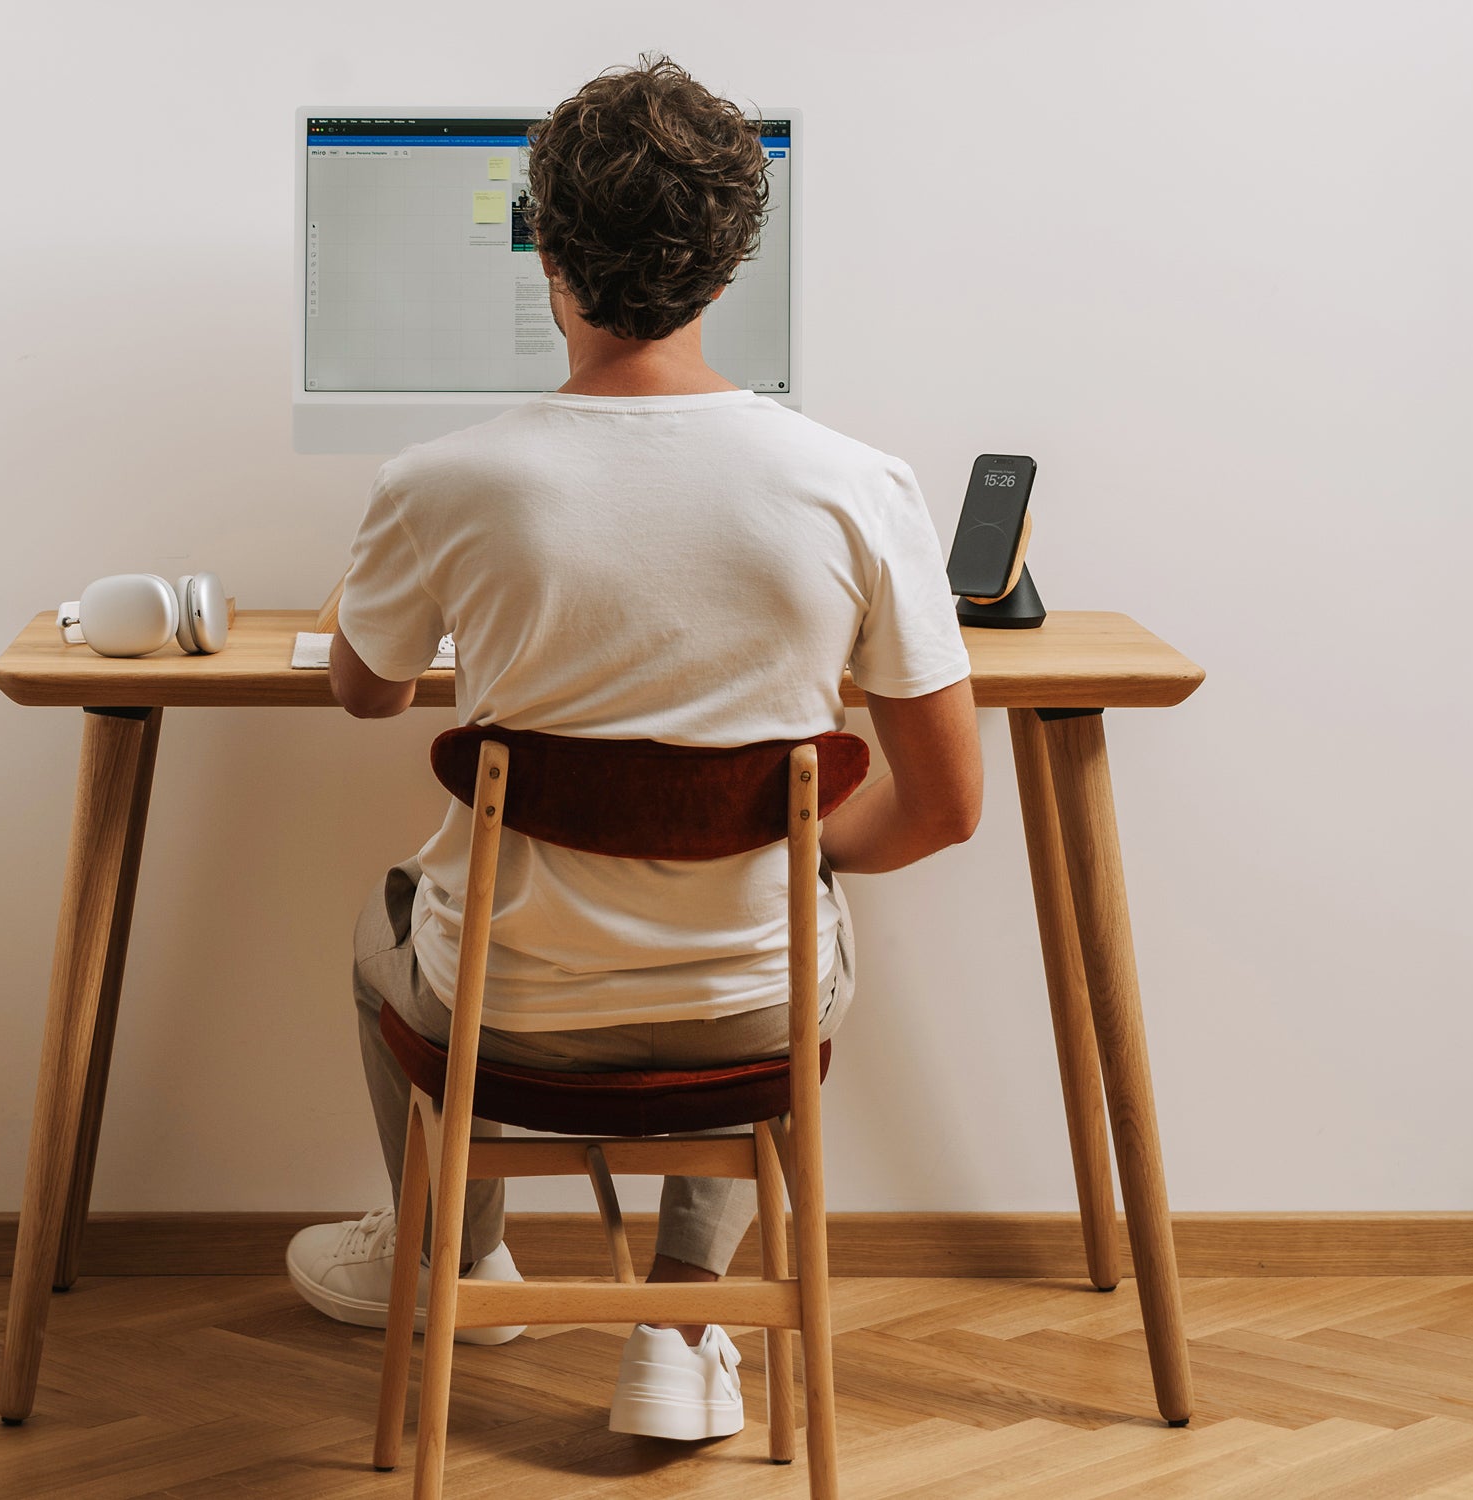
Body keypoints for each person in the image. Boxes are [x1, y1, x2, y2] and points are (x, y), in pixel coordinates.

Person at [286, 56, 983, 1442]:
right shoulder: (858, 487)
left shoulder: (439, 482)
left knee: (385, 917)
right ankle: (678, 1329)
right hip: (749, 1016)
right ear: (732, 257)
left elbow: (366, 694)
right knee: (795, 910)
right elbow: (950, 807)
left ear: (541, 237)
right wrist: (793, 843)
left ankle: (462, 1258)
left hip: (510, 1013)